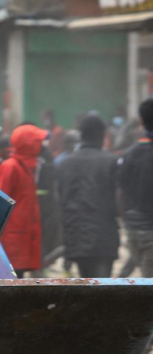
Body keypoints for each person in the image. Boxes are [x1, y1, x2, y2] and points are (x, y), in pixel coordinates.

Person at [58, 115, 119, 278]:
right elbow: (118, 201)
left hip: (75, 235)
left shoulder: (65, 163)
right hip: (103, 237)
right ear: (101, 135)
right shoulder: (110, 161)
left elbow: (61, 199)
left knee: (86, 281)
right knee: (101, 285)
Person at [120, 99, 153, 354]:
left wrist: (128, 223)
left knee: (145, 286)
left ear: (141, 121)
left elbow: (122, 193)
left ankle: (141, 352)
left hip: (135, 230)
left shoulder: (130, 154)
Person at [0, 124, 47, 277]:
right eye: (38, 142)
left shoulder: (27, 168)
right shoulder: (10, 167)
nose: (42, 146)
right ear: (29, 144)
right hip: (11, 238)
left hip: (22, 236)